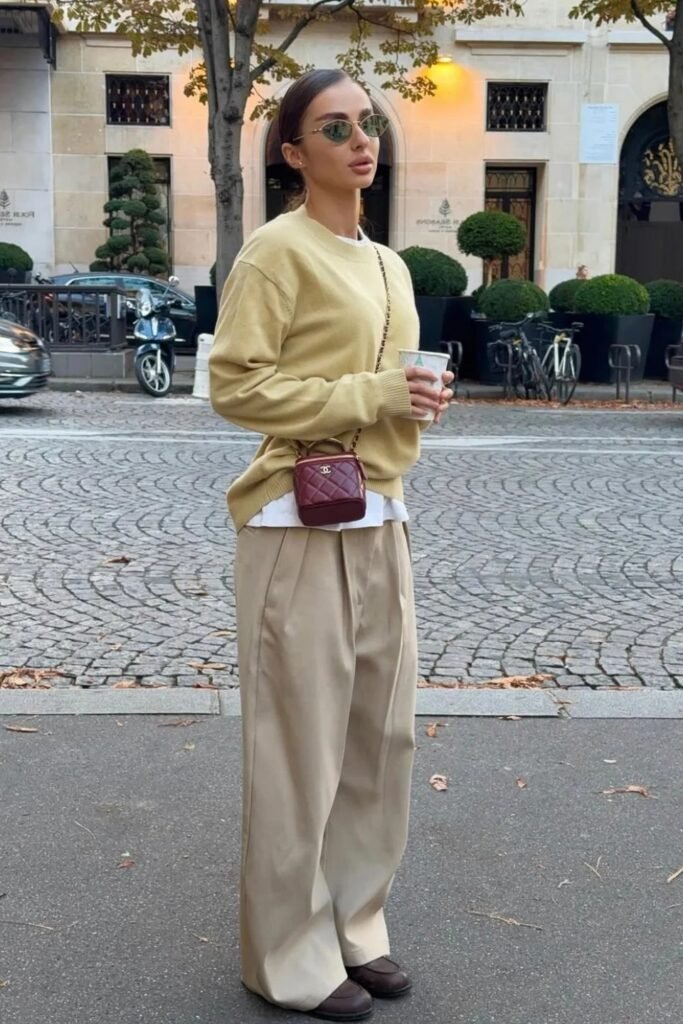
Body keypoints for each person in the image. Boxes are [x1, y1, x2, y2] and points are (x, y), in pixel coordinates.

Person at [209, 68, 453, 1022]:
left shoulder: (391, 265)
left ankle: (358, 921)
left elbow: (388, 385)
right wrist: (373, 397)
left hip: (377, 513)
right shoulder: (273, 254)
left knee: (376, 738)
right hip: (293, 521)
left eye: (368, 123)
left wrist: (416, 400)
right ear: (292, 153)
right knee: (299, 746)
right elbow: (237, 386)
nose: (360, 139)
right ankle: (287, 952)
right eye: (333, 126)